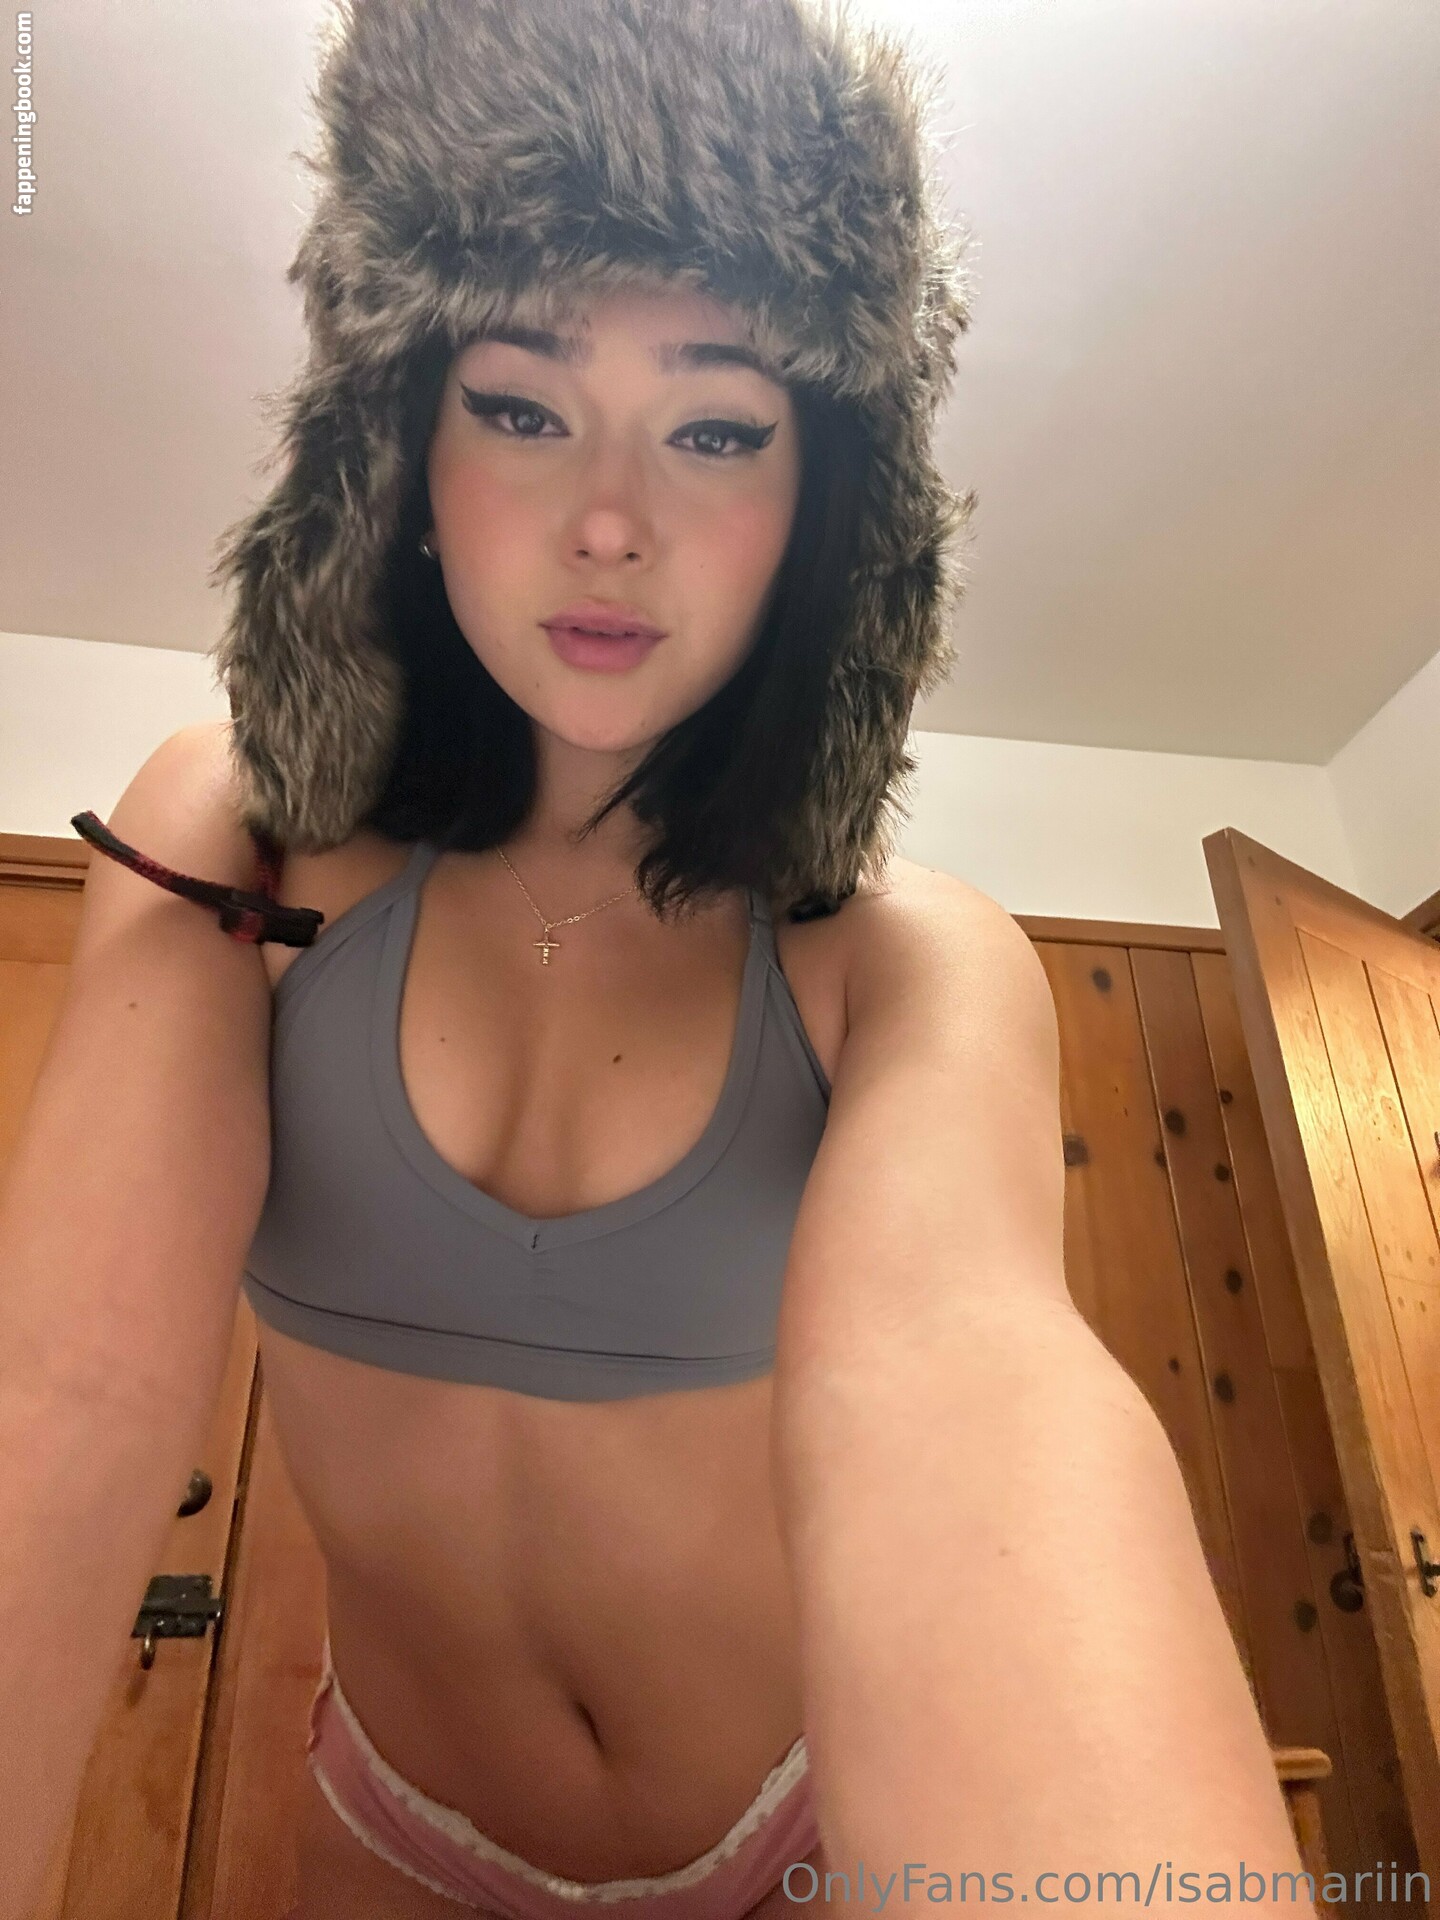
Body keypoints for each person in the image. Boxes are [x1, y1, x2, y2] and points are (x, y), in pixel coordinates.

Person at [0, 1, 1316, 1916]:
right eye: (522, 408)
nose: (610, 522)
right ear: (400, 452)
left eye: (715, 429)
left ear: (820, 516)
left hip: (791, 1840)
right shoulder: (234, 837)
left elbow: (971, 1412)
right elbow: (59, 1394)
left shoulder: (909, 967)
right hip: (398, 1830)